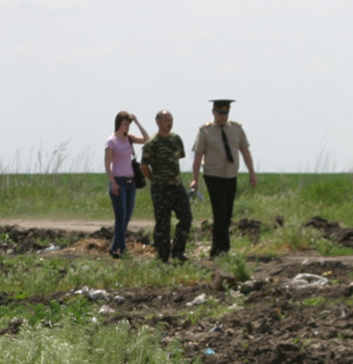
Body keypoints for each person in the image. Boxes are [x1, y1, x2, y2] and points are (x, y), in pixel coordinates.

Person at [190, 99, 257, 257]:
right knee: (219, 212)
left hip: (231, 175)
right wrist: (195, 179)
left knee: (227, 213)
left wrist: (252, 173)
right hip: (213, 175)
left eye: (226, 113)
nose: (223, 116)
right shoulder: (205, 131)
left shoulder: (236, 129)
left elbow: (245, 151)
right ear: (214, 112)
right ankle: (221, 249)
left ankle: (219, 247)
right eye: (220, 113)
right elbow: (198, 156)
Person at [140, 110, 192, 263]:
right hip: (161, 189)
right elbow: (144, 167)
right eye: (166, 120)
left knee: (186, 218)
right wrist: (155, 179)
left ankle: (178, 251)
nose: (169, 123)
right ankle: (162, 256)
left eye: (171, 120)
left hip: (177, 186)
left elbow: (178, 158)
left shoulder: (176, 139)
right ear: (158, 122)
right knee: (163, 223)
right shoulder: (152, 143)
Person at [105, 111, 148, 258]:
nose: (127, 127)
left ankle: (114, 247)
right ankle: (122, 249)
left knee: (127, 215)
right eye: (125, 124)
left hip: (131, 182)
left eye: (128, 124)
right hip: (119, 181)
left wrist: (136, 121)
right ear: (118, 124)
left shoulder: (129, 139)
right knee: (121, 216)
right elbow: (107, 164)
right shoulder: (111, 141)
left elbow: (147, 139)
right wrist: (113, 182)